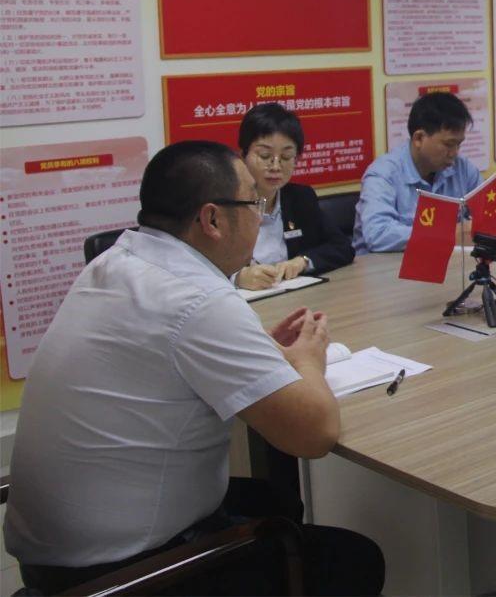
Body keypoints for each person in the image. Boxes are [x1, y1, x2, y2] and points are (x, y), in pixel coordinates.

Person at [3, 141, 383, 595]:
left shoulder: (118, 261)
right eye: (254, 203)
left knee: (274, 499)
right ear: (212, 219)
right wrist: (308, 363)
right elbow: (314, 434)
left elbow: (169, 352)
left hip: (52, 555)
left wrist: (259, 351)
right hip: (120, 574)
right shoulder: (198, 299)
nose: (261, 216)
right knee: (356, 559)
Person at [353, 91, 496, 253]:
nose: (454, 153)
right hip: (385, 270)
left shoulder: (461, 168)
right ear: (419, 138)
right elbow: (378, 234)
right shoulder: (383, 174)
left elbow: (494, 205)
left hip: (444, 264)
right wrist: (448, 232)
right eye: (448, 144)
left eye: (459, 144)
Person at [234, 103, 353, 290]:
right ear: (242, 155)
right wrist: (236, 278)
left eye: (286, 157)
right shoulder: (224, 205)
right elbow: (195, 267)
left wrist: (302, 261)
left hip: (292, 298)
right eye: (265, 155)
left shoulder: (300, 198)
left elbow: (342, 247)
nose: (275, 166)